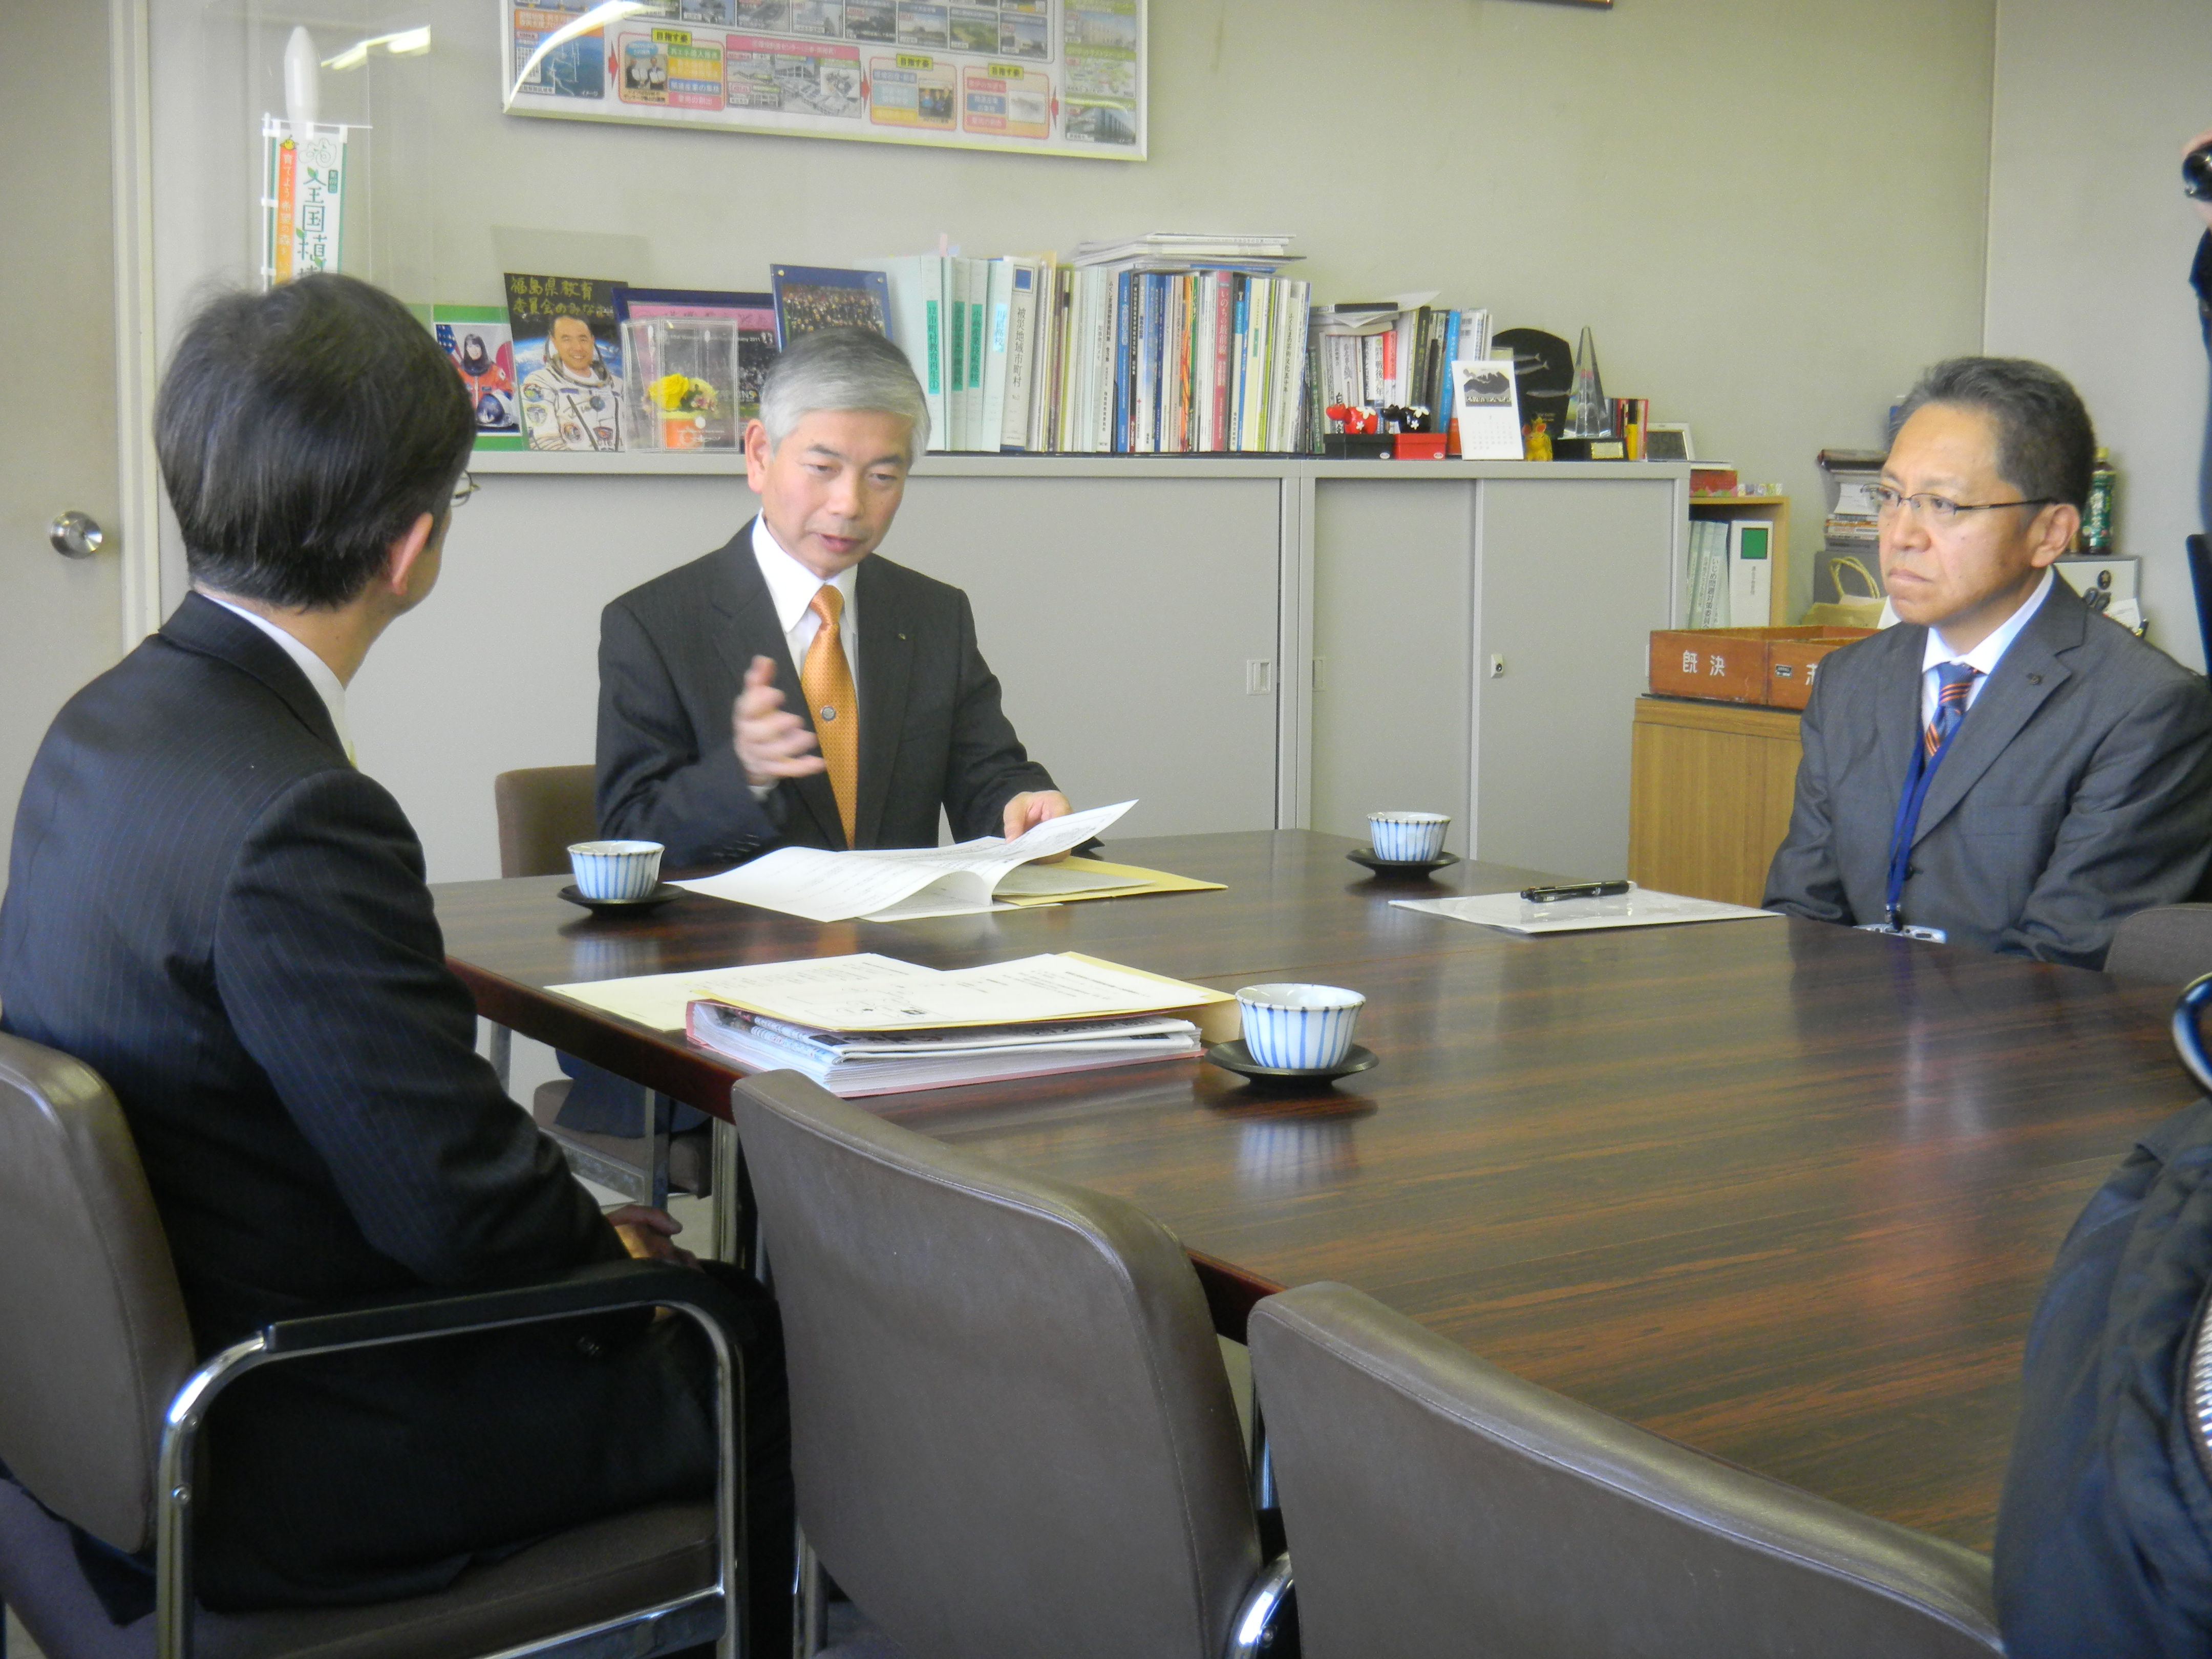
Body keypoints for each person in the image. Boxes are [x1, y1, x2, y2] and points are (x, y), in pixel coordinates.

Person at [0, 273, 786, 1647]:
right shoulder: (299, 813)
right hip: (288, 1437)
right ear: (412, 548)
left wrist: (569, 1227)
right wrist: (606, 1261)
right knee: (758, 1336)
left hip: (102, 1388)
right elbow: (456, 1212)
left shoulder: (102, 722)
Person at [1763, 355, 2212, 969]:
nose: (1901, 534)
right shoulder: (1850, 681)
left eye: (1943, 506)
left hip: (2027, 1054)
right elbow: (1801, 915)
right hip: (1850, 1045)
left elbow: (2067, 962)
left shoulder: (2147, 708)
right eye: (1891, 497)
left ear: (2050, 534)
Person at [596, 324, 1070, 866]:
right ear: (758, 455)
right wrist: (742, 773)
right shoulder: (654, 624)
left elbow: (986, 775)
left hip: (899, 943)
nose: (849, 503)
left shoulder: (935, 614)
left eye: (884, 476)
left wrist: (1024, 806)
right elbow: (625, 838)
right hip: (733, 946)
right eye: (823, 468)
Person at [521, 310, 622, 451]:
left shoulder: (619, 386)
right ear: (554, 342)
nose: (578, 348)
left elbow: (640, 439)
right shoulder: (540, 383)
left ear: (592, 341)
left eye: (583, 339)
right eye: (567, 339)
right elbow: (543, 442)